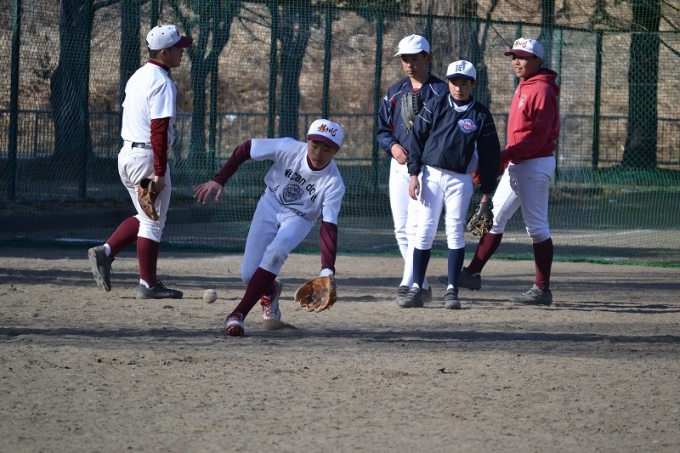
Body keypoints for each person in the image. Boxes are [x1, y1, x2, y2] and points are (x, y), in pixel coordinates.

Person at [193, 119, 345, 336]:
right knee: (248, 275)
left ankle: (237, 315)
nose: (319, 152)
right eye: (315, 145)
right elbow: (247, 148)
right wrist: (220, 179)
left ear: (336, 151)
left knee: (276, 252)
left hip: (299, 218)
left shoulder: (333, 183)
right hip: (270, 204)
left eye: (327, 148)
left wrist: (327, 270)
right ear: (307, 141)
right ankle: (272, 290)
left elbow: (329, 227)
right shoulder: (288, 148)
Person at [87, 24, 192, 299]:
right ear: (164, 52)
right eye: (178, 48)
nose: (182, 51)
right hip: (147, 158)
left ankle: (106, 251)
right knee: (153, 222)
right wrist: (159, 170)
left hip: (127, 157)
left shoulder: (138, 76)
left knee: (146, 216)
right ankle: (147, 285)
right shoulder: (162, 82)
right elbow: (158, 130)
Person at [458, 38, 560, 306]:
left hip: (535, 163)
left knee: (536, 227)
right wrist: (505, 160)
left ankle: (542, 289)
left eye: (523, 57)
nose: (516, 61)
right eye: (514, 56)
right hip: (520, 162)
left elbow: (537, 137)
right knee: (495, 218)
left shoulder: (542, 90)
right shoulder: (526, 84)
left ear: (538, 60)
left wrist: (503, 158)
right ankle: (471, 274)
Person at [401, 60, 501, 309]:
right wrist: (413, 174)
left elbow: (490, 155)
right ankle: (416, 287)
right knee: (424, 230)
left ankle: (452, 290)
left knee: (455, 230)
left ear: (472, 84)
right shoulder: (435, 105)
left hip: (460, 179)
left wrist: (486, 192)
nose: (458, 88)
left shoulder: (480, 114)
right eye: (454, 82)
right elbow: (416, 139)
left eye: (464, 83)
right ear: (448, 83)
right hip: (431, 175)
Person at [377, 34, 448, 305]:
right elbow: (383, 130)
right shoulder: (395, 91)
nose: (409, 64)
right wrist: (392, 146)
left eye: (414, 58)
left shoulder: (441, 92)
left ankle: (409, 283)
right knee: (401, 229)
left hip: (427, 169)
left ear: (427, 58)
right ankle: (421, 284)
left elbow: (445, 133)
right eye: (404, 59)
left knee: (418, 228)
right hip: (399, 166)